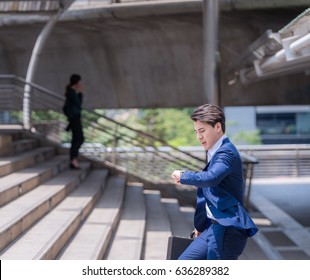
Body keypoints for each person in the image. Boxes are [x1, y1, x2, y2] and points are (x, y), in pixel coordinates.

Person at [171, 104, 258, 260]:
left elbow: (210, 178)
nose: (198, 137)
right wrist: (200, 226)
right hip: (213, 226)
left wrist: (184, 176)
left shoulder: (227, 153)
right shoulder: (214, 151)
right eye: (196, 132)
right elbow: (210, 193)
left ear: (218, 127)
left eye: (202, 131)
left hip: (227, 230)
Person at [63, 74, 85, 169]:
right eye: (80, 81)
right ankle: (73, 159)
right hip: (74, 118)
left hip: (75, 118)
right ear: (77, 82)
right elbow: (78, 104)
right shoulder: (71, 92)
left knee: (77, 138)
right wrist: (80, 93)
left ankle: (73, 159)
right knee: (79, 138)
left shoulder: (71, 92)